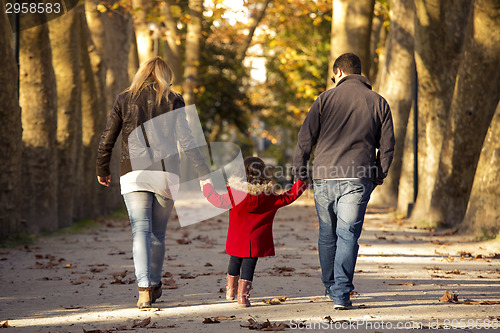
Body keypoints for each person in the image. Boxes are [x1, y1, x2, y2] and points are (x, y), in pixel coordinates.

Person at [96, 57, 210, 308]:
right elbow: (187, 140)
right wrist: (204, 173)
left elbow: (108, 136)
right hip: (165, 173)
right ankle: (155, 283)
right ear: (165, 75)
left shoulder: (124, 99)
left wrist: (101, 167)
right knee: (157, 233)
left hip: (133, 173)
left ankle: (144, 287)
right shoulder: (173, 99)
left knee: (140, 230)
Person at [292, 53, 395, 310]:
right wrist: (379, 174)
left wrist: (299, 170)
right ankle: (340, 294)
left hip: (324, 176)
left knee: (327, 234)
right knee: (348, 235)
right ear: (359, 73)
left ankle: (330, 287)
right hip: (358, 175)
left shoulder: (324, 100)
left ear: (338, 72)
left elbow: (306, 138)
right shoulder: (378, 102)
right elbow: (388, 145)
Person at [200, 157, 308, 307]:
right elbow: (288, 197)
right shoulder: (268, 196)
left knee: (235, 261)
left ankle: (231, 290)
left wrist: (206, 186)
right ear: (264, 173)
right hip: (255, 241)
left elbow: (217, 200)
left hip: (236, 239)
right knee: (249, 266)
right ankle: (243, 297)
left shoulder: (234, 194)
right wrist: (301, 183)